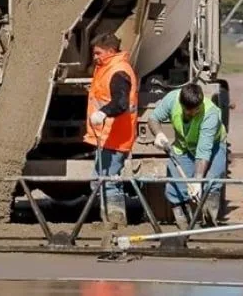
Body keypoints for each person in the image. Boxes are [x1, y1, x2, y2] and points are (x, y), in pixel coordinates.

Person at [148, 83, 228, 229]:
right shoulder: (172, 99)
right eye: (190, 111)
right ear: (181, 103)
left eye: (197, 109)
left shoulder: (210, 114)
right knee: (175, 185)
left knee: (211, 180)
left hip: (214, 145)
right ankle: (183, 220)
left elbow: (203, 152)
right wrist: (158, 134)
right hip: (184, 145)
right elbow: (153, 118)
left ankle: (210, 219)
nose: (194, 113)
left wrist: (197, 181)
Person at [83, 33, 138, 227]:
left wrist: (103, 113)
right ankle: (109, 219)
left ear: (111, 51)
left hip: (116, 137)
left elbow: (121, 103)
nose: (95, 57)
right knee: (100, 180)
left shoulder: (118, 72)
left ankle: (115, 221)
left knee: (109, 181)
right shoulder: (107, 68)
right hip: (108, 136)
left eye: (98, 53)